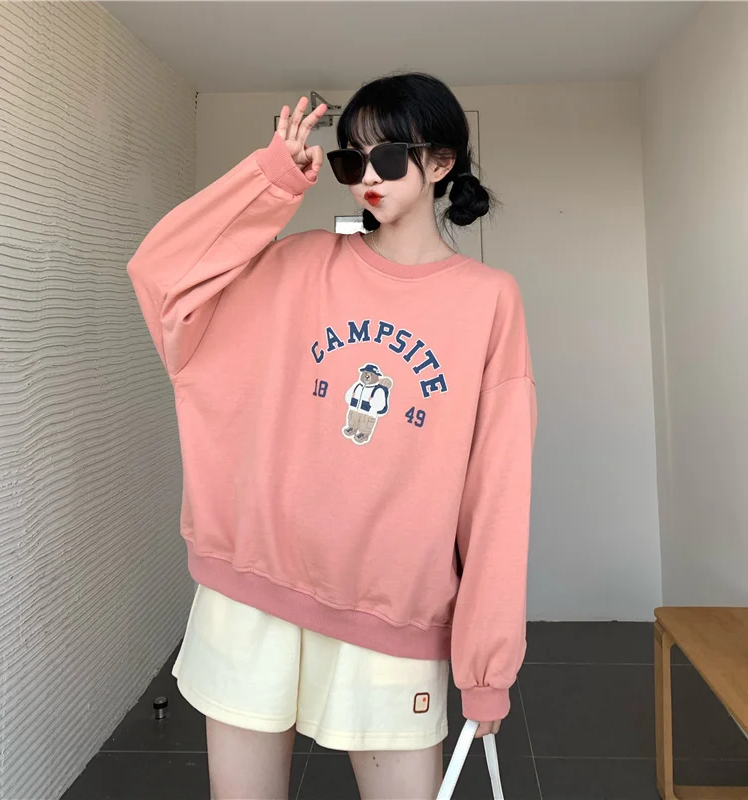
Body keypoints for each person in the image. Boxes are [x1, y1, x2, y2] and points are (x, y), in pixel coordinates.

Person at [127, 71, 537, 800]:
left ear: (441, 162)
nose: (367, 177)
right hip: (251, 596)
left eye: (389, 157)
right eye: (352, 160)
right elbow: (163, 277)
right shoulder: (299, 264)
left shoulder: (487, 300)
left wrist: (485, 667)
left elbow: (497, 491)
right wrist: (270, 181)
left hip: (389, 615)